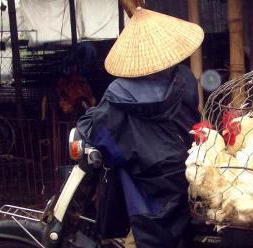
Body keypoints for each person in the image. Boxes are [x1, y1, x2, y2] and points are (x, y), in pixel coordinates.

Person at [76, 7, 203, 248]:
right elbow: (189, 119)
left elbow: (97, 130)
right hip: (182, 176)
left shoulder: (118, 94)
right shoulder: (184, 79)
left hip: (146, 189)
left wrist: (91, 118)